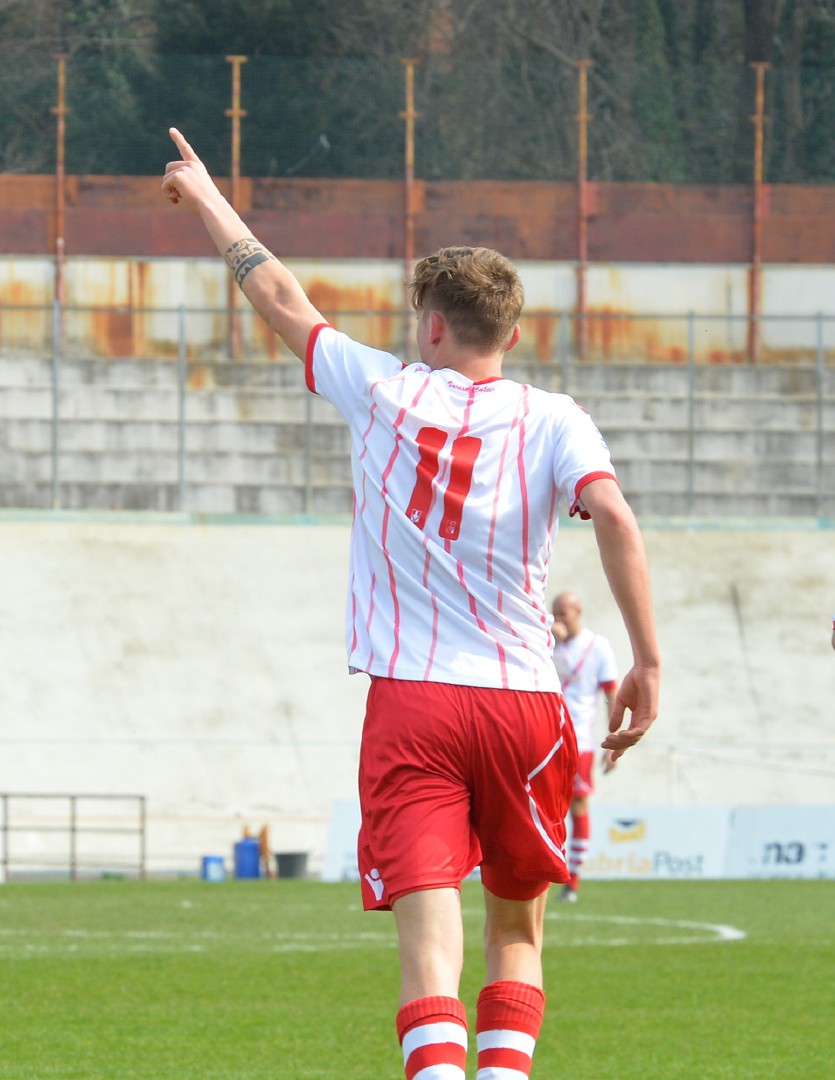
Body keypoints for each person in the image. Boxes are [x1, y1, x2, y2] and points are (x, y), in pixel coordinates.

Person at [162, 127, 660, 1080]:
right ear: (511, 337)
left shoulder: (383, 391)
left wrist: (209, 199)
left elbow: (276, 295)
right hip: (524, 704)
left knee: (427, 942)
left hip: (414, 705)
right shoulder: (557, 417)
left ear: (427, 324)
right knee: (516, 929)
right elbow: (616, 520)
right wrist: (646, 659)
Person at [551, 591, 618, 902]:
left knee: (577, 805)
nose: (559, 619)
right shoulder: (546, 644)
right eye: (555, 613)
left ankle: (573, 879)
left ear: (579, 611)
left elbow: (611, 691)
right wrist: (553, 643)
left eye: (563, 613)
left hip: (579, 740)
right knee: (546, 806)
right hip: (545, 736)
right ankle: (546, 870)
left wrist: (614, 737)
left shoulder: (597, 646)